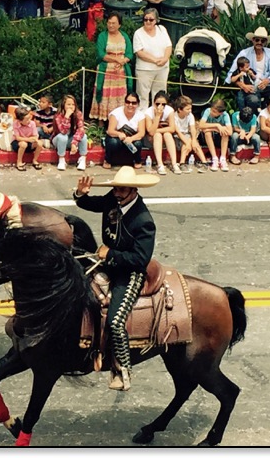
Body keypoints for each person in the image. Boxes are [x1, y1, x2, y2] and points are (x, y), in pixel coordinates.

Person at [73, 166, 159, 391]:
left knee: (116, 319)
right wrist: (81, 194)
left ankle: (123, 370)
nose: (117, 193)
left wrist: (110, 254)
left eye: (122, 190)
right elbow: (90, 204)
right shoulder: (113, 200)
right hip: (107, 263)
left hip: (129, 273)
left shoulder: (143, 221)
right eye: (116, 189)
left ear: (133, 190)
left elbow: (140, 260)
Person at [225, 26, 270, 124]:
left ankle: (267, 113)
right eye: (257, 40)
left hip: (266, 86)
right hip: (250, 87)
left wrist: (267, 81)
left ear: (266, 42)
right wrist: (243, 85)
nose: (259, 42)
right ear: (253, 40)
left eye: (262, 40)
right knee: (254, 100)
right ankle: (253, 122)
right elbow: (231, 74)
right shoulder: (244, 53)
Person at [89, 12, 134, 127]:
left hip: (120, 72)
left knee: (120, 96)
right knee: (103, 95)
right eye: (109, 23)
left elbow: (129, 53)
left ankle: (117, 123)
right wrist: (116, 59)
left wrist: (123, 61)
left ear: (119, 24)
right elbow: (101, 54)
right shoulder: (103, 36)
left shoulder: (124, 36)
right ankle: (101, 123)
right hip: (106, 70)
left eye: (114, 23)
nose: (111, 25)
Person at [132, 7, 172, 111]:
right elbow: (139, 52)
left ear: (156, 20)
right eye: (146, 19)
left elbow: (169, 46)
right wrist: (155, 60)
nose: (148, 22)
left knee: (160, 96)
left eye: (151, 19)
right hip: (145, 70)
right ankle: (142, 119)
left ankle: (158, 118)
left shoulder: (162, 29)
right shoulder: (138, 33)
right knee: (143, 96)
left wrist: (165, 58)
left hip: (162, 68)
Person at [103, 92, 146, 170]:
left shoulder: (140, 115)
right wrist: (119, 134)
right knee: (113, 142)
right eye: (128, 102)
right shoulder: (116, 113)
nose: (130, 105)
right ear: (124, 102)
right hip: (118, 139)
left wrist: (131, 139)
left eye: (133, 103)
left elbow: (141, 133)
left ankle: (137, 161)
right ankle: (107, 160)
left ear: (138, 104)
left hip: (131, 140)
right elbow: (110, 131)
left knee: (138, 143)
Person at [143, 91, 181, 175]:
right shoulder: (148, 112)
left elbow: (172, 128)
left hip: (166, 136)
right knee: (157, 135)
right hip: (151, 139)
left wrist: (156, 130)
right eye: (157, 104)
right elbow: (150, 132)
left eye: (163, 104)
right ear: (153, 103)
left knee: (167, 134)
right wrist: (157, 116)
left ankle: (174, 163)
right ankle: (160, 164)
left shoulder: (169, 110)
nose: (160, 106)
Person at [52, 94, 89, 171]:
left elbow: (81, 129)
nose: (71, 106)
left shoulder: (78, 114)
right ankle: (61, 160)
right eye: (68, 104)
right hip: (59, 140)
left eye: (73, 104)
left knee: (84, 136)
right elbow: (63, 131)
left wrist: (74, 142)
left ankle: (82, 159)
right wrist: (67, 117)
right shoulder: (58, 116)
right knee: (63, 136)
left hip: (71, 139)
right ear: (63, 105)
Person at [173, 95, 208, 172]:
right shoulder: (174, 117)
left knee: (195, 144)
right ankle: (182, 163)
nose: (190, 111)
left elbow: (192, 128)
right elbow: (178, 132)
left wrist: (194, 140)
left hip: (187, 134)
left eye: (190, 108)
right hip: (177, 136)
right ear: (180, 109)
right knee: (186, 144)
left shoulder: (190, 115)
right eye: (187, 109)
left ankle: (204, 162)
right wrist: (188, 142)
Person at [198, 98, 232, 172]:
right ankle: (214, 158)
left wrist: (211, 128)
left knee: (225, 133)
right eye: (212, 110)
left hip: (219, 138)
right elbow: (201, 125)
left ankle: (223, 159)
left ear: (220, 113)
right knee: (207, 133)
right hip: (206, 138)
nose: (211, 112)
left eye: (214, 111)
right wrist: (217, 126)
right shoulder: (207, 111)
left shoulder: (225, 115)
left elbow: (230, 132)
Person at [12, 106, 42, 171]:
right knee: (23, 144)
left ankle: (35, 160)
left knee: (40, 143)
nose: (29, 120)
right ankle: (19, 162)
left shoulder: (32, 123)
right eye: (27, 119)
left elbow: (35, 135)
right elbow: (18, 138)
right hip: (18, 143)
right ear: (20, 120)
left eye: (29, 118)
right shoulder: (15, 124)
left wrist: (35, 140)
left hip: (29, 142)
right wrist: (28, 139)